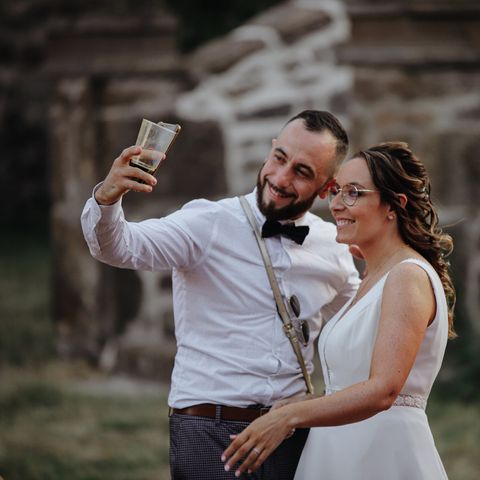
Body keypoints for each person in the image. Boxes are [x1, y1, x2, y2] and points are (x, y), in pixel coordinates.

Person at [80, 110, 361, 480]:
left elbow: (357, 332)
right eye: (280, 159)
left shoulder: (333, 248)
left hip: (293, 435)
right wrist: (107, 195)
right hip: (209, 432)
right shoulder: (207, 222)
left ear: (327, 188)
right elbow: (118, 248)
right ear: (270, 151)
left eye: (302, 172)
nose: (280, 178)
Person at [222, 141, 456, 479]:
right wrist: (300, 405)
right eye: (336, 192)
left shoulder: (407, 276)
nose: (335, 205)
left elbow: (383, 389)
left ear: (393, 205)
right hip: (338, 450)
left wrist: (288, 418)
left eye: (353, 193)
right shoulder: (374, 275)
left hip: (381, 455)